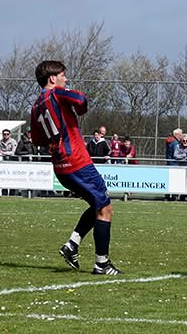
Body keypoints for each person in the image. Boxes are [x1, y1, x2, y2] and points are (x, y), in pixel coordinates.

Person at [30, 59, 121, 274]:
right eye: (62, 75)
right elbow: (81, 99)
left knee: (98, 203)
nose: (65, 78)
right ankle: (101, 264)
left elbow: (36, 139)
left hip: (60, 166)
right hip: (78, 162)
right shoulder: (56, 94)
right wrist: (76, 108)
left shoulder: (35, 106)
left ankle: (72, 244)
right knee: (105, 208)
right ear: (52, 78)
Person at [0, 128, 18, 196]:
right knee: (4, 179)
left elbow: (13, 152)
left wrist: (3, 152)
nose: (6, 135)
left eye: (7, 134)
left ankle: (12, 194)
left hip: (12, 163)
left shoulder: (13, 141)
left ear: (10, 135)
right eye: (4, 134)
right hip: (4, 164)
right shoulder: (0, 142)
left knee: (12, 180)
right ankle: (4, 194)